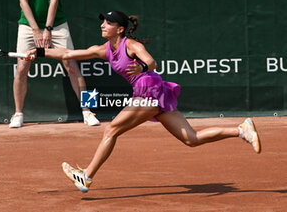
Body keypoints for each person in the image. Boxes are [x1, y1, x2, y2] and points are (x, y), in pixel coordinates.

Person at [25, 11, 262, 193]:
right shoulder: (103, 49)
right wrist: (40, 52)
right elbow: (68, 54)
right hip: (152, 92)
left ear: (119, 29)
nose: (102, 25)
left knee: (112, 129)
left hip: (148, 90)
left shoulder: (132, 45)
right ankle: (242, 130)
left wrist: (143, 66)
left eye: (107, 23)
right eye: (103, 22)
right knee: (191, 139)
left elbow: (152, 61)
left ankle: (86, 176)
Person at [10, 0, 100, 128]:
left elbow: (54, 0)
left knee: (72, 65)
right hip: (28, 25)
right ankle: (18, 114)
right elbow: (23, 2)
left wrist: (48, 29)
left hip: (57, 24)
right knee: (21, 68)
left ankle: (88, 111)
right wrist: (35, 30)